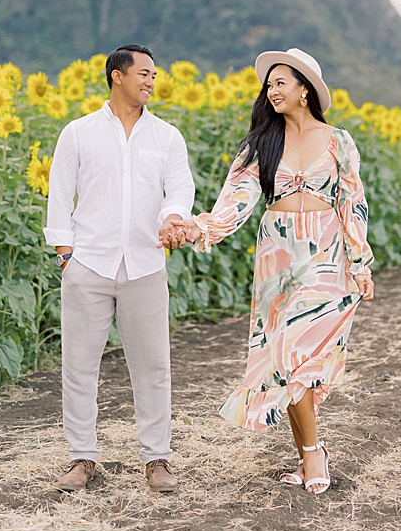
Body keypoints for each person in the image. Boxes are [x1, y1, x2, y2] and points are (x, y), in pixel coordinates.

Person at [160, 48, 374, 495]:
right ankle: (308, 456)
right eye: (269, 85)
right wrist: (194, 226)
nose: (273, 91)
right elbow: (234, 202)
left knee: (299, 352)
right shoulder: (261, 143)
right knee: (285, 359)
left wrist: (361, 262)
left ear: (305, 89)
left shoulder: (338, 140)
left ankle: (313, 455)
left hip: (326, 254)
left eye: (281, 82)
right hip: (278, 256)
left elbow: (353, 203)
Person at [44, 45, 195, 493]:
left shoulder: (167, 137)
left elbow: (179, 188)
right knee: (79, 365)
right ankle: (82, 457)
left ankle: (156, 459)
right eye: (144, 73)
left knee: (152, 366)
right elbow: (59, 192)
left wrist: (174, 216)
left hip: (145, 264)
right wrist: (65, 254)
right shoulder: (78, 133)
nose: (151, 81)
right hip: (88, 262)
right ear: (117, 76)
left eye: (154, 75)